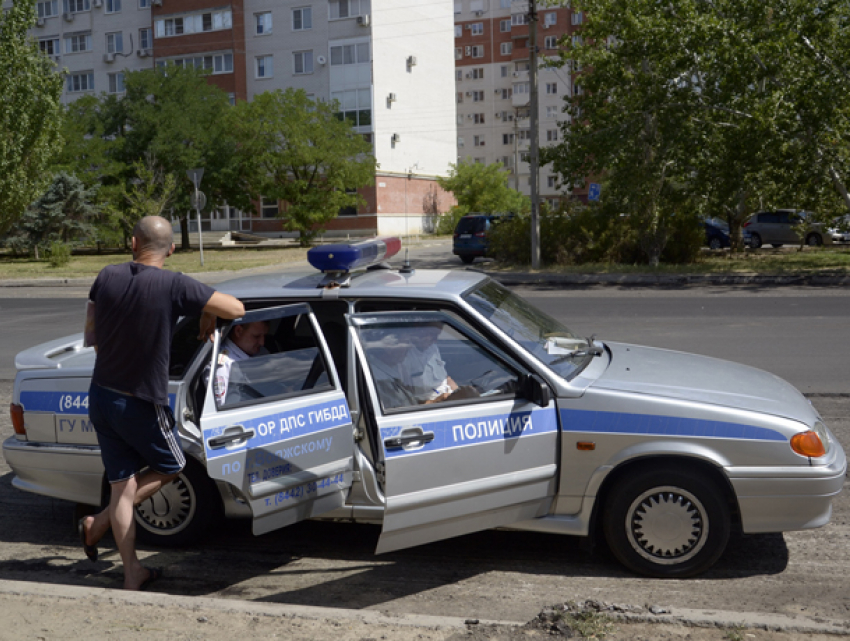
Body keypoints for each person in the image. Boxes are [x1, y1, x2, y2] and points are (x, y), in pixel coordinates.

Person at [78, 215, 245, 591]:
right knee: (173, 464)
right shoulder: (175, 284)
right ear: (171, 249)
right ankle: (103, 526)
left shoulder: (106, 275)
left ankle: (124, 561)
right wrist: (206, 310)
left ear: (133, 243)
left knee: (122, 486)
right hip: (142, 401)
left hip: (102, 394)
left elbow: (91, 332)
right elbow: (236, 310)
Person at [211, 320, 270, 406]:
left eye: (264, 336)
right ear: (238, 331)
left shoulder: (261, 352)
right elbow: (223, 407)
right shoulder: (224, 365)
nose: (262, 342)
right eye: (256, 336)